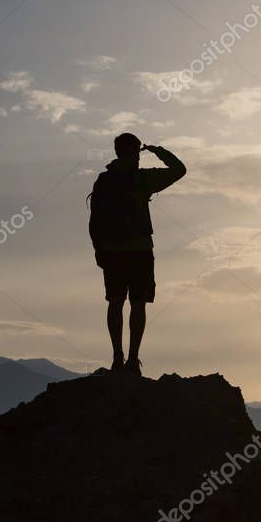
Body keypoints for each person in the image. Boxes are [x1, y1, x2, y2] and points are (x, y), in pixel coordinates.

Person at [88, 133, 185, 375]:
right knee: (138, 303)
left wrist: (99, 250)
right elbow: (179, 169)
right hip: (140, 250)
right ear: (133, 152)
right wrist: (157, 150)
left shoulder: (104, 180)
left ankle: (117, 358)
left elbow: (95, 220)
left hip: (111, 252)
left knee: (115, 302)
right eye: (138, 152)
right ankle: (133, 360)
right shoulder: (143, 179)